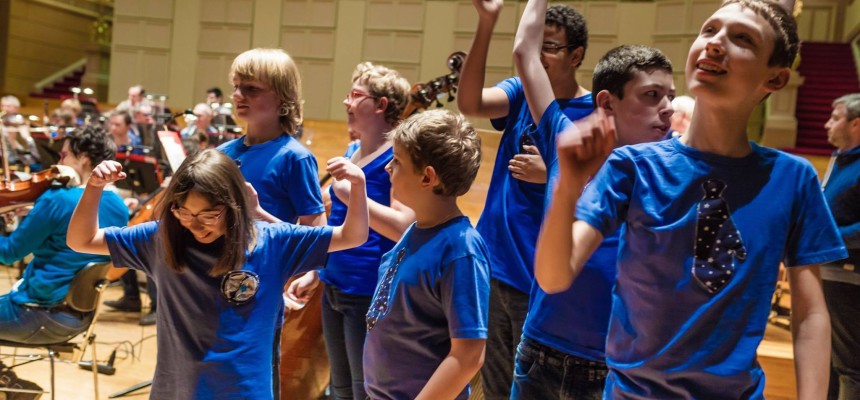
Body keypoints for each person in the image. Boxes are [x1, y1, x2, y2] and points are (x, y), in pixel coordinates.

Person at [535, 0, 845, 398]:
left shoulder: (793, 178)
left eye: (742, 39)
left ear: (776, 79)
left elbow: (811, 315)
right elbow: (553, 276)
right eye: (709, 30)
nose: (715, 43)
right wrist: (567, 187)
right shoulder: (633, 165)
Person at [67, 148, 369, 399]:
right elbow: (81, 240)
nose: (195, 225)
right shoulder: (160, 240)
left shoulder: (272, 241)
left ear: (234, 207)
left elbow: (352, 236)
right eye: (184, 213)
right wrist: (93, 188)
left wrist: (358, 187)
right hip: (177, 391)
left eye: (209, 216)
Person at [511, 10, 675, 395]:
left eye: (671, 95)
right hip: (539, 351)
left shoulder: (675, 166)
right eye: (653, 95)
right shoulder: (565, 139)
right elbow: (524, 54)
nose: (667, 107)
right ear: (607, 102)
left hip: (615, 365)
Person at [457, 2, 594, 396]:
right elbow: (470, 104)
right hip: (491, 265)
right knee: (492, 386)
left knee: (526, 387)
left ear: (577, 55)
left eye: (549, 47)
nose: (537, 56)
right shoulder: (519, 93)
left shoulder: (590, 112)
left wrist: (551, 172)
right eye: (536, 47)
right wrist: (487, 23)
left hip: (534, 278)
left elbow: (599, 192)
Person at [287, 61, 414, 400]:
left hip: (367, 289)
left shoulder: (397, 159)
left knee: (364, 389)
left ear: (381, 105)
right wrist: (316, 271)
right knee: (340, 387)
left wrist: (353, 193)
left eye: (356, 95)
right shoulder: (351, 151)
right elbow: (338, 224)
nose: (346, 102)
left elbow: (405, 226)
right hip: (334, 283)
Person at [216, 47, 328, 398]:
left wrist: (311, 273)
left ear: (282, 97)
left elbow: (314, 231)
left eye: (250, 89)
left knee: (254, 383)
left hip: (259, 292)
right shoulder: (223, 154)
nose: (238, 96)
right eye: (236, 87)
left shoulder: (294, 158)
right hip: (210, 286)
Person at [361, 109, 488, 400]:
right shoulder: (416, 229)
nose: (386, 168)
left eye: (397, 161)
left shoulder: (461, 250)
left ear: (427, 178)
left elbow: (468, 356)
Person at [0, 125, 128, 345]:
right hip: (79, 318)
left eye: (64, 155)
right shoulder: (120, 206)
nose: (58, 163)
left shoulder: (57, 198)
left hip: (36, 313)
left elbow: (9, 253)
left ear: (85, 158)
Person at [820, 93, 860, 400]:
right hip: (832, 271)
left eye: (835, 118)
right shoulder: (841, 158)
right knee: (831, 363)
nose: (827, 125)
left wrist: (827, 237)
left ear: (856, 124)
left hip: (851, 277)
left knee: (850, 367)